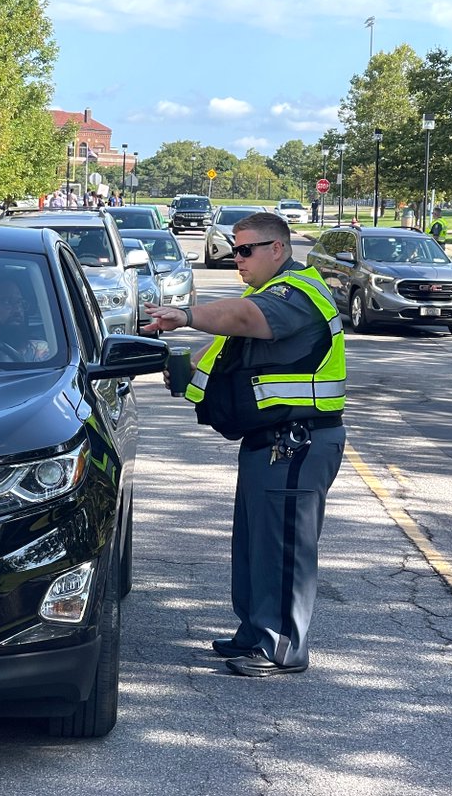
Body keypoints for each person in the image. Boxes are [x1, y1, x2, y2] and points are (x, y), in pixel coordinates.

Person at [143, 211, 346, 678]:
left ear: (277, 248)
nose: (237, 259)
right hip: (269, 442)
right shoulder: (268, 294)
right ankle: (254, 631)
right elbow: (214, 358)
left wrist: (186, 315)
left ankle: (281, 646)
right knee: (256, 544)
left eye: (246, 250)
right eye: (234, 249)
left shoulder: (295, 294)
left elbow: (240, 316)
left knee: (283, 548)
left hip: (299, 442)